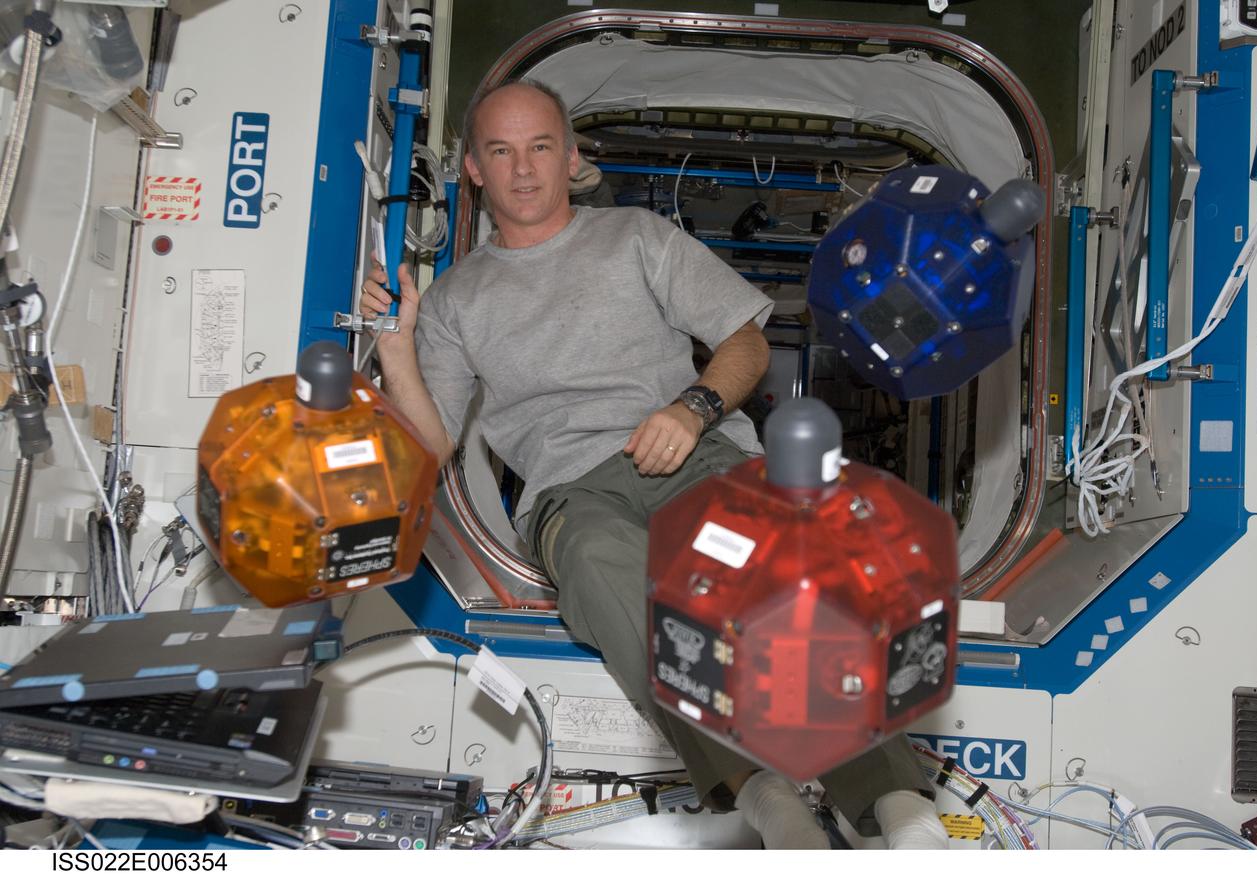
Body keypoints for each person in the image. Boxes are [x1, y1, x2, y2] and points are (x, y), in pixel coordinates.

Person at [360, 80, 947, 850]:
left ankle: (902, 811)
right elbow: (430, 446)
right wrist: (397, 352)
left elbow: (745, 342)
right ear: (473, 168)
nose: (524, 169)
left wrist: (692, 408)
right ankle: (767, 799)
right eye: (501, 152)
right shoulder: (453, 302)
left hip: (694, 456)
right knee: (603, 567)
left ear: (569, 157)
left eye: (540, 147)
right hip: (571, 494)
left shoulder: (635, 237)